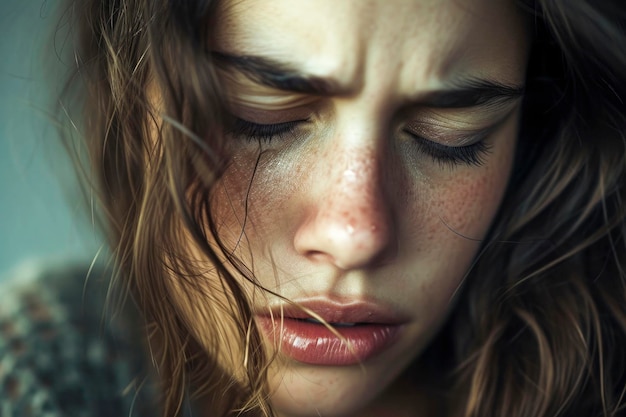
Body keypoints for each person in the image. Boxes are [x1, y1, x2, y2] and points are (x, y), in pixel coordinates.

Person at [2, 0, 625, 416]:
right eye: (261, 117)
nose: (355, 234)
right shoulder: (48, 365)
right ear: (134, 103)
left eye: (449, 133)